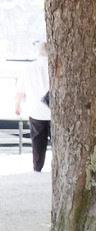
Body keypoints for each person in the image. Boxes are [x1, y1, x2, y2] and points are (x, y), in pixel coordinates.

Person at [14, 40, 51, 172]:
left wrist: (17, 106)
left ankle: (37, 167)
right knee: (58, 142)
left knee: (37, 142)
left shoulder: (28, 68)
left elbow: (20, 90)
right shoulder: (55, 65)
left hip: (36, 111)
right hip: (54, 112)